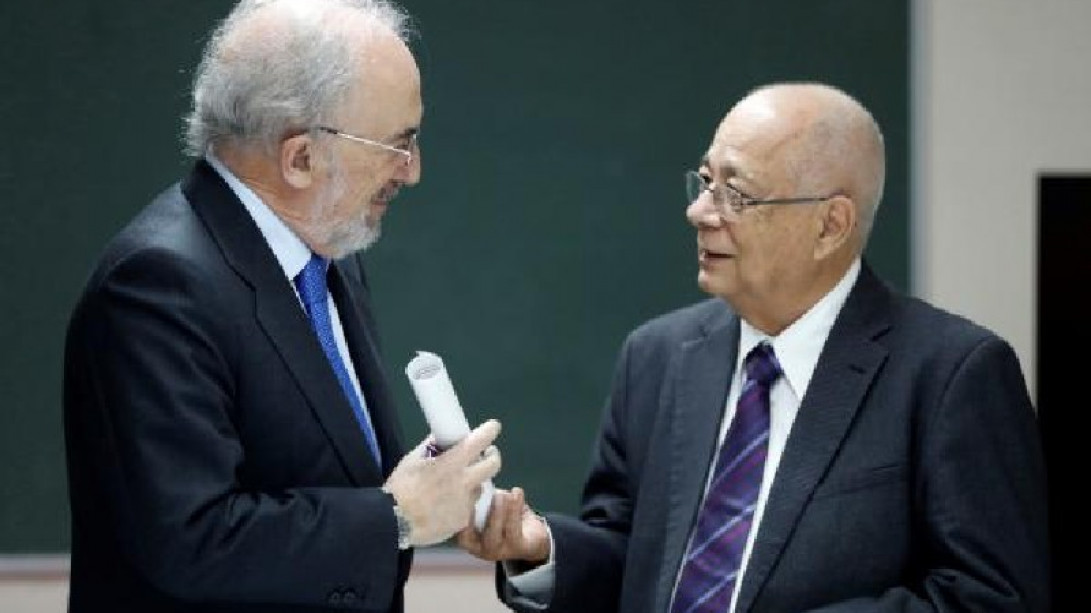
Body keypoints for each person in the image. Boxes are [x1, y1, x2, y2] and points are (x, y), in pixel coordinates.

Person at [459, 82, 1049, 613]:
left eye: (735, 194)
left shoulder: (951, 373)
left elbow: (991, 595)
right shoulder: (658, 357)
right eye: (705, 182)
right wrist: (542, 549)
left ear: (830, 226)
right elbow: (631, 556)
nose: (699, 212)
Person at [62, 0, 501, 611]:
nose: (414, 171)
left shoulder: (329, 250)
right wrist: (397, 515)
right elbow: (191, 541)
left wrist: (429, 486)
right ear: (301, 158)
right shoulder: (156, 286)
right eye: (399, 145)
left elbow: (320, 466)